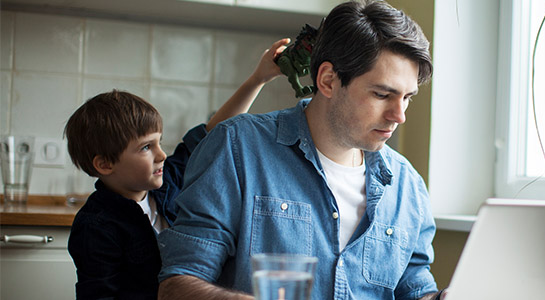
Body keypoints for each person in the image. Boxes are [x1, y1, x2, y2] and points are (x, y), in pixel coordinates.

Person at [157, 1, 444, 299]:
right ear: (328, 80)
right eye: (382, 94)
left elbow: (415, 288)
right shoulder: (238, 147)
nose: (399, 115)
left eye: (407, 97)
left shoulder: (406, 184)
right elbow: (176, 286)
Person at [64, 38, 289, 300]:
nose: (161, 155)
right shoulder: (95, 226)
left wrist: (257, 80)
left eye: (159, 142)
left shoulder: (168, 178)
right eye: (146, 148)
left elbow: (211, 133)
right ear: (105, 164)